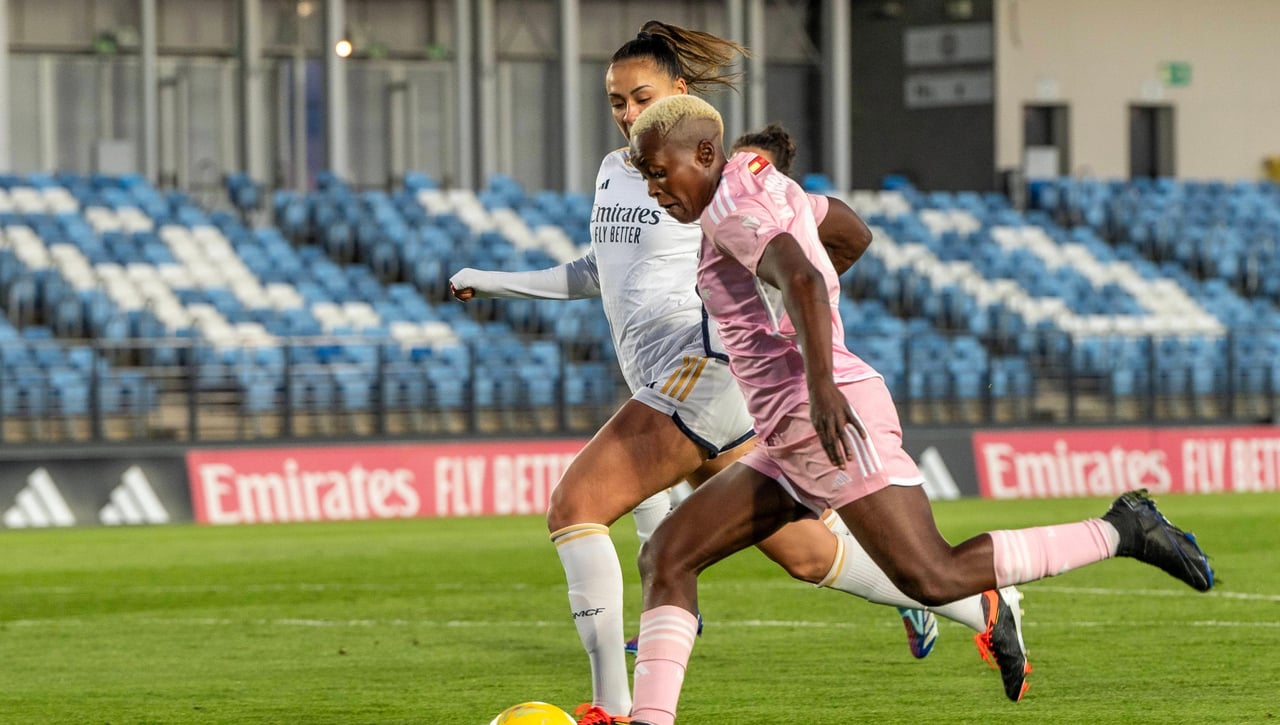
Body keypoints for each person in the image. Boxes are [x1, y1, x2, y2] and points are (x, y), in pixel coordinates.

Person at [449, 22, 1014, 724]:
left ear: (680, 94)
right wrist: (493, 282)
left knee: (578, 507)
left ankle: (612, 707)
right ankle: (975, 602)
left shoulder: (703, 172)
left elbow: (819, 236)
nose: (626, 112)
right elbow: (597, 270)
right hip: (666, 380)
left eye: (640, 96)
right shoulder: (614, 171)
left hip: (703, 369)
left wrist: (784, 320)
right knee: (805, 551)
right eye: (616, 100)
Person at [619, 93, 1216, 725]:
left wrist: (820, 381)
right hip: (790, 432)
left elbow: (802, 279)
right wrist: (802, 332)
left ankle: (1124, 529)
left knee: (932, 576)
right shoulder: (754, 183)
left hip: (827, 417)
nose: (656, 190)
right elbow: (848, 230)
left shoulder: (732, 208)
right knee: (669, 555)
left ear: (706, 154)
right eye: (648, 176)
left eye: (661, 173)